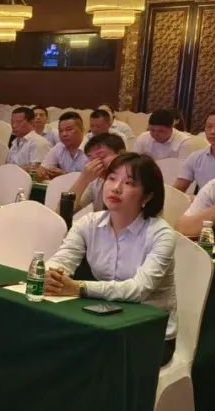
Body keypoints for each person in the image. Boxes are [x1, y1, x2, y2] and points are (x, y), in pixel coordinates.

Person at [45, 152, 178, 361]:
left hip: (150, 333)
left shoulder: (161, 234)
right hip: (103, 320)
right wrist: (50, 274)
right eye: (112, 178)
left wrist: (80, 287)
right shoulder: (88, 223)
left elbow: (139, 289)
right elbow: (62, 259)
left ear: (147, 197)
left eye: (129, 183)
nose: (116, 188)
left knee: (86, 359)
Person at [174, 109, 215, 193]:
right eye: (209, 127)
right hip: (203, 201)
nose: (212, 131)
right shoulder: (195, 157)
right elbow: (177, 190)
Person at [67, 133, 125, 212]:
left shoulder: (133, 182)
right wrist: (83, 179)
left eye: (102, 157)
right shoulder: (96, 181)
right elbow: (65, 211)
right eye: (92, 159)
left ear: (122, 155)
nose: (96, 163)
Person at [38, 112, 87, 179]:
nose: (64, 134)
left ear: (82, 129)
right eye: (61, 131)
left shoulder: (92, 148)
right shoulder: (59, 147)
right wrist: (44, 172)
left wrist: (65, 176)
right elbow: (43, 168)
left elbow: (94, 180)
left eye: (69, 129)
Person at [6, 106, 50, 170]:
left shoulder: (38, 142)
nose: (14, 126)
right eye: (12, 122)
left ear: (31, 123)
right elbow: (7, 165)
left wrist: (12, 170)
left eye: (19, 122)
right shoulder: (15, 142)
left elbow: (37, 170)